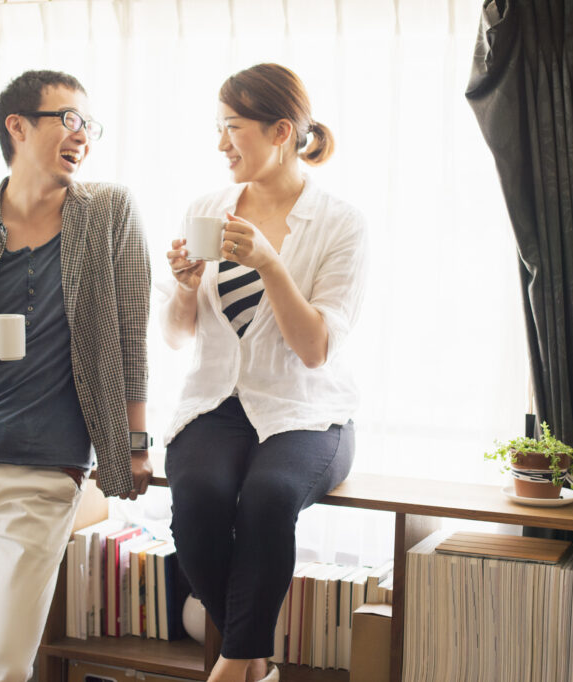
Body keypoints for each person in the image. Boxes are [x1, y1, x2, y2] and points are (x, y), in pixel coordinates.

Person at [0, 70, 153, 682]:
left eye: (88, 125)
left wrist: (136, 444)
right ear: (17, 126)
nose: (83, 135)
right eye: (68, 119)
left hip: (40, 473)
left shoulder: (109, 214)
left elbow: (130, 339)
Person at [161, 63, 367, 682]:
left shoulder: (341, 223)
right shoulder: (207, 208)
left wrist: (272, 264)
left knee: (268, 499)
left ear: (281, 132)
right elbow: (175, 335)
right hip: (217, 404)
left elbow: (315, 351)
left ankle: (231, 670)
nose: (221, 144)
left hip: (307, 409)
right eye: (218, 128)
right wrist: (183, 289)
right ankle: (254, 663)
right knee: (196, 500)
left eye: (233, 129)